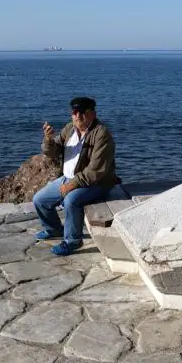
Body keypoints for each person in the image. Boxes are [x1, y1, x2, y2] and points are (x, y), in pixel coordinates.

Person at [32, 96, 118, 256]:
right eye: (75, 112)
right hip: (68, 178)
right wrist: (48, 140)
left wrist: (72, 185)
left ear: (93, 113)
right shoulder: (69, 129)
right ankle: (54, 229)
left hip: (96, 183)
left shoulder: (101, 134)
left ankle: (73, 241)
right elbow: (53, 153)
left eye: (83, 112)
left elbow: (96, 170)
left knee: (71, 200)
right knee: (39, 199)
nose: (78, 115)